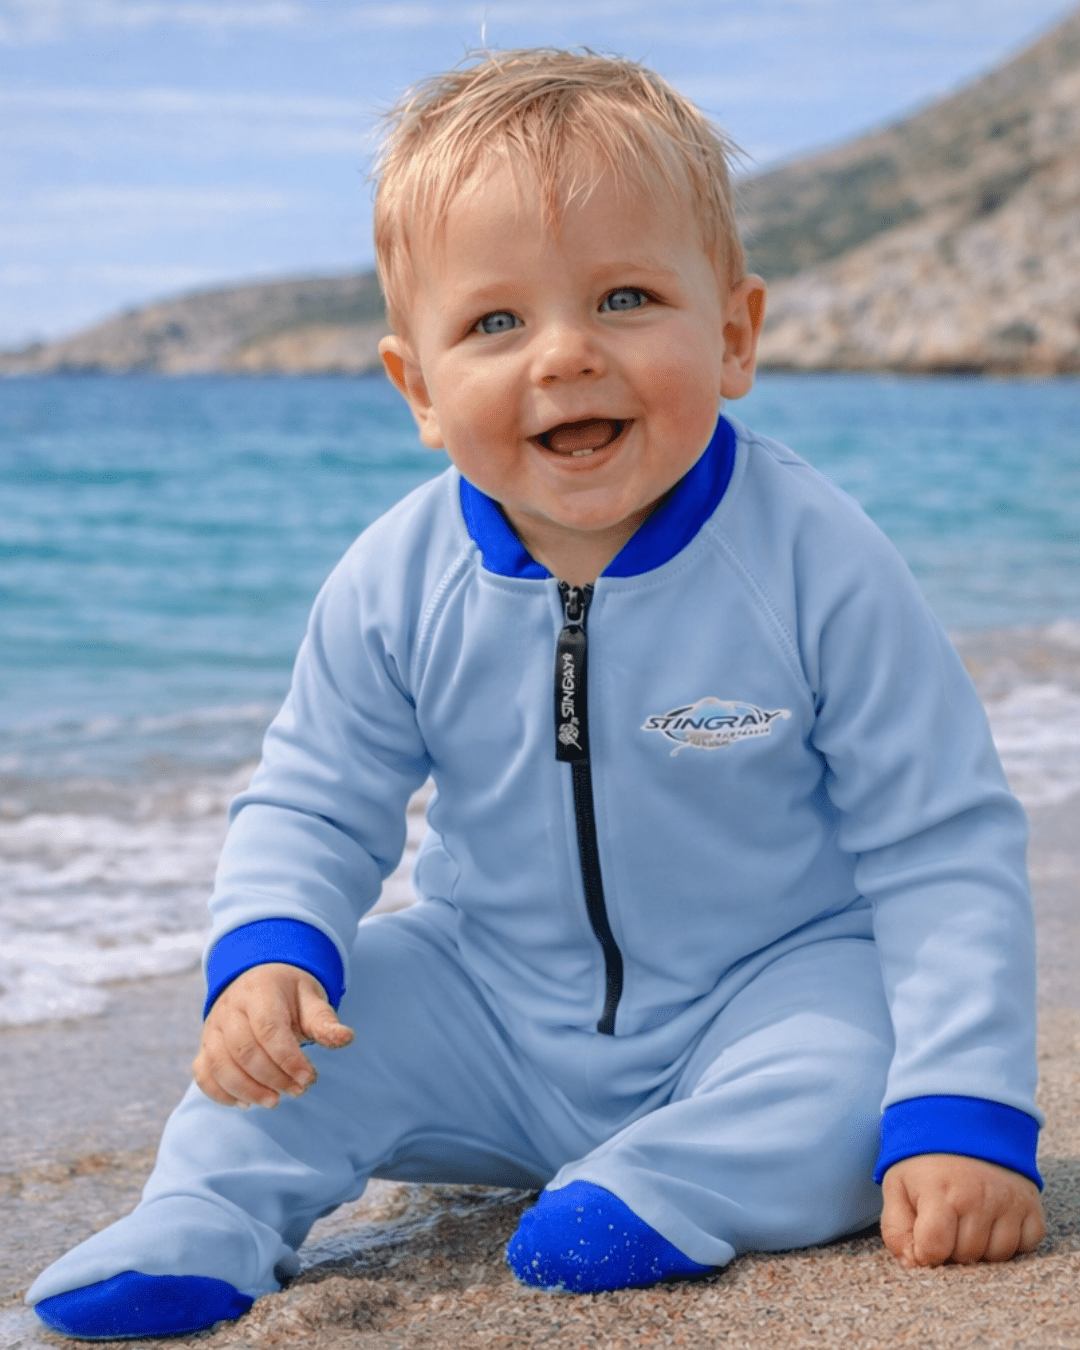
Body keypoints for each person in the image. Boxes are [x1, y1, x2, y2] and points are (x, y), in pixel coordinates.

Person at [28, 48, 1045, 1341]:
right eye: (496, 323)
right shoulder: (398, 579)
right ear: (420, 390)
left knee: (866, 1062)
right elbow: (314, 792)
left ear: (733, 333)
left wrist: (968, 1113)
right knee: (321, 1028)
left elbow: (940, 838)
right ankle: (201, 1218)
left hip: (767, 994)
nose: (565, 355)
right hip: (492, 1007)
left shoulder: (814, 559)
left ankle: (659, 1185)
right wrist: (271, 948)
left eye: (626, 297)